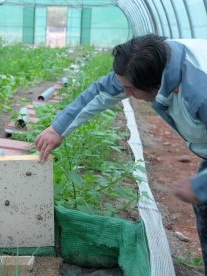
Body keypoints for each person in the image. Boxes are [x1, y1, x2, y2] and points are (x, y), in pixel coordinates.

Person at [34, 34, 207, 271]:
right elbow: (103, 90)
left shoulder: (200, 93)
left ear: (154, 85)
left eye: (130, 89)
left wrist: (200, 187)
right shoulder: (153, 65)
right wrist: (58, 128)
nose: (124, 93)